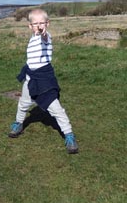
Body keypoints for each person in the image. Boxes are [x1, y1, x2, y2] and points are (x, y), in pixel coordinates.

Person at [8, 8, 79, 154]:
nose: (39, 26)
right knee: (23, 104)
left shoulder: (46, 37)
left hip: (44, 80)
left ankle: (69, 135)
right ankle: (18, 124)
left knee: (57, 110)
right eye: (36, 24)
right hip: (30, 79)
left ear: (48, 24)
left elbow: (44, 38)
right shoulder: (32, 38)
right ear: (30, 26)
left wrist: (43, 33)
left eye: (42, 23)